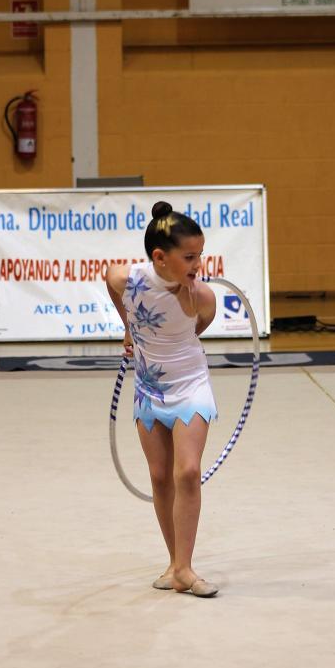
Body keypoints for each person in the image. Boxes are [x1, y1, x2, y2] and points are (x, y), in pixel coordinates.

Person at [105, 201, 219, 596]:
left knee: (187, 471)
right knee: (159, 476)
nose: (198, 264)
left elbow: (195, 332)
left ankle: (186, 568)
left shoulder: (200, 296)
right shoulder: (128, 278)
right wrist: (128, 328)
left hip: (190, 385)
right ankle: (174, 563)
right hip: (149, 388)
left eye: (200, 255)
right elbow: (111, 281)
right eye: (189, 256)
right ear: (160, 257)